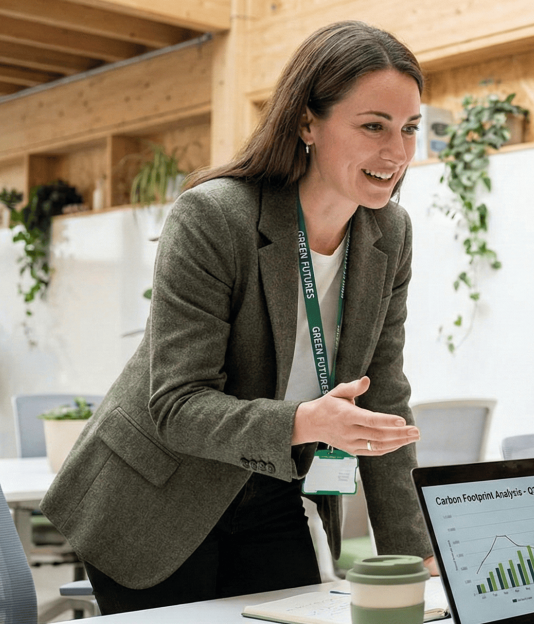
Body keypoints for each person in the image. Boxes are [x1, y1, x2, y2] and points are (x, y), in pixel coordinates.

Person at [41, 21, 436, 613]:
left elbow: (385, 396)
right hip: (155, 495)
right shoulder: (214, 217)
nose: (397, 152)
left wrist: (415, 553)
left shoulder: (389, 234)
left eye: (409, 129)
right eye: (373, 126)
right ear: (307, 122)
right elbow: (177, 405)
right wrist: (308, 422)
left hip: (272, 486)